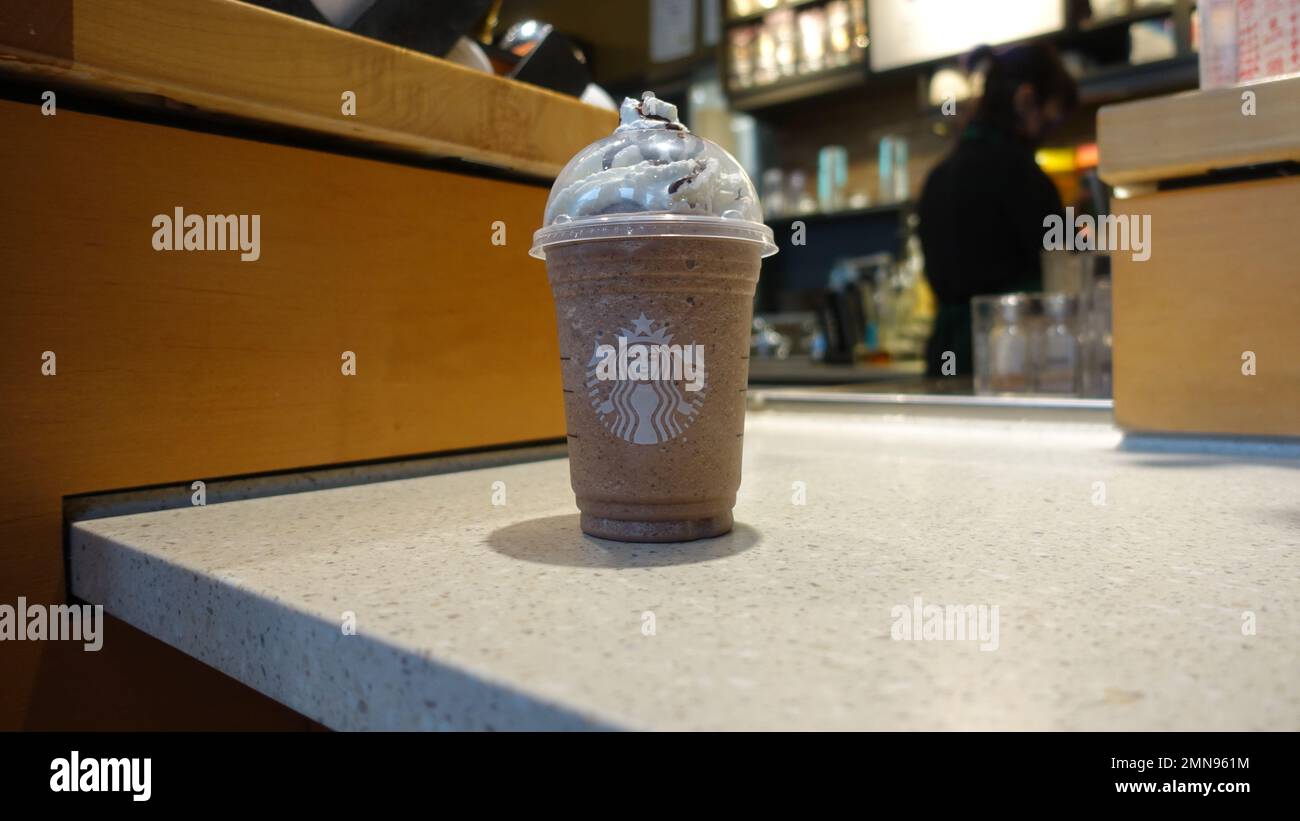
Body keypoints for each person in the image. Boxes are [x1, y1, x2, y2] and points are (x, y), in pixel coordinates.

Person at [918, 43, 1079, 377]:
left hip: (945, 355)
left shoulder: (938, 175)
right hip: (1008, 357)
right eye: (1050, 121)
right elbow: (1066, 264)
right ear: (1025, 99)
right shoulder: (1021, 174)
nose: (1048, 133)